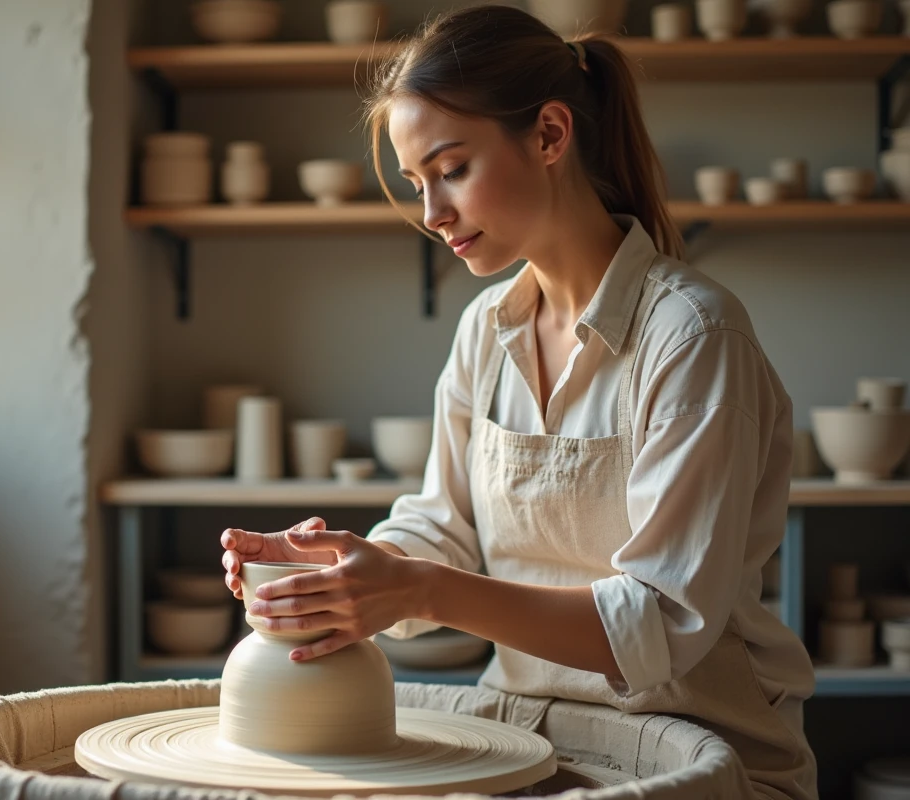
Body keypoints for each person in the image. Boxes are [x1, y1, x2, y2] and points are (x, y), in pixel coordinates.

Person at [219, 6, 817, 798]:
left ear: (549, 135)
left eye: (452, 169)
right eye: (417, 184)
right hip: (527, 736)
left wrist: (418, 589)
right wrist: (343, 570)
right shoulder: (486, 329)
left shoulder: (693, 336)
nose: (432, 214)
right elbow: (444, 530)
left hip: (697, 751)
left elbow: (659, 624)